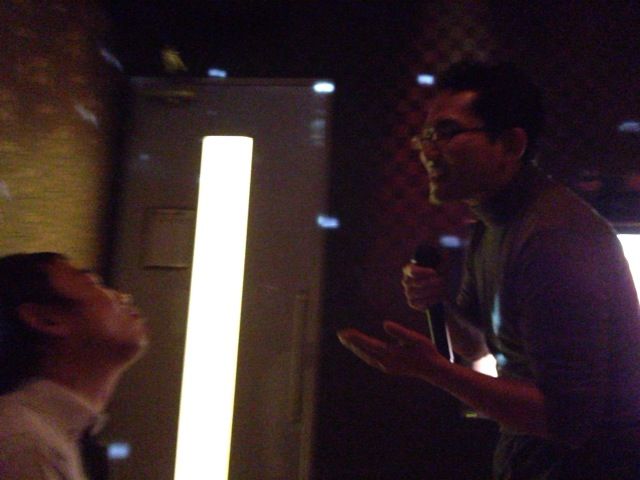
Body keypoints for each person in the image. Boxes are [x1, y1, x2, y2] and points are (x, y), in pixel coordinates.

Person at [338, 62, 640, 479]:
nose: (428, 151)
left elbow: (567, 420)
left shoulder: (554, 238)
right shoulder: (492, 222)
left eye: (447, 133)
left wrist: (432, 370)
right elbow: (478, 344)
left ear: (511, 144)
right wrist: (438, 302)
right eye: (426, 136)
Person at [0, 252, 149, 479]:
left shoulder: (53, 436)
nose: (123, 296)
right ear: (46, 319)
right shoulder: (26, 444)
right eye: (93, 284)